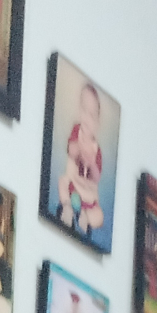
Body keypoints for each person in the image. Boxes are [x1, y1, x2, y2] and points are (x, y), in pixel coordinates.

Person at [58, 80, 104, 239]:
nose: (86, 118)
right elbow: (71, 150)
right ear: (79, 111)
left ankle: (85, 216)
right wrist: (79, 149)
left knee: (99, 217)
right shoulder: (76, 131)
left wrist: (92, 163)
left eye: (91, 115)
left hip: (88, 196)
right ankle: (67, 207)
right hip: (73, 186)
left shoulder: (97, 150)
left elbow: (97, 177)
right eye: (84, 110)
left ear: (97, 123)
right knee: (62, 182)